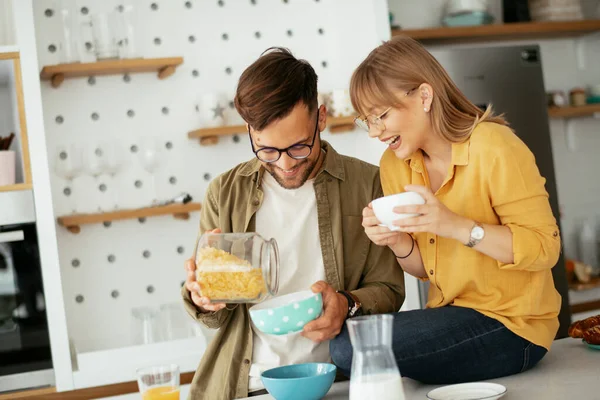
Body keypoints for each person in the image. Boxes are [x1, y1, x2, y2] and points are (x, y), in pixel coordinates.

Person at [330, 35, 562, 384]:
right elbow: (425, 268)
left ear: (424, 96)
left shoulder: (494, 146)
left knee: (352, 350)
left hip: (515, 326)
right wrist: (396, 241)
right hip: (451, 315)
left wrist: (456, 226)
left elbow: (545, 248)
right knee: (349, 341)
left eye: (381, 115)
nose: (375, 132)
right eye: (366, 121)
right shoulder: (396, 165)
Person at [181, 47, 405, 400]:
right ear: (250, 132)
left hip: (340, 381)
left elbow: (390, 291)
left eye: (299, 147)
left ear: (322, 119)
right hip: (249, 386)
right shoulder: (224, 193)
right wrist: (204, 299)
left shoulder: (368, 184)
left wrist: (346, 304)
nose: (285, 164)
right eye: (268, 151)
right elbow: (214, 317)